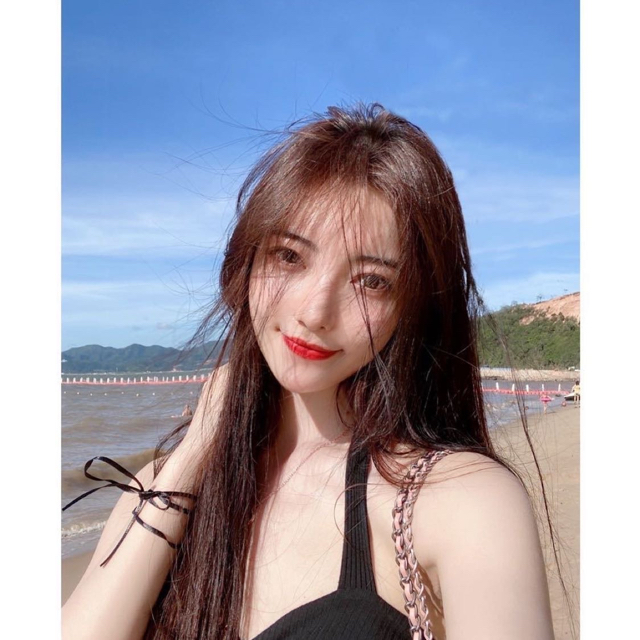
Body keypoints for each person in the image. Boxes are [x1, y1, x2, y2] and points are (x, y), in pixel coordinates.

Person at [62, 104, 555, 640]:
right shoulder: (164, 483)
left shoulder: (461, 502)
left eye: (372, 281)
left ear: (415, 306)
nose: (315, 312)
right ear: (245, 260)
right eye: (290, 257)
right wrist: (192, 456)